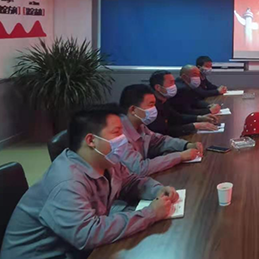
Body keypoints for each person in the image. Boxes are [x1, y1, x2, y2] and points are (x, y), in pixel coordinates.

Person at [0, 105, 177, 259]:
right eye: (117, 133)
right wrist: (151, 213)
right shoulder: (67, 182)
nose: (123, 139)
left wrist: (157, 190)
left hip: (73, 248)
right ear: (91, 140)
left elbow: (130, 182)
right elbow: (88, 234)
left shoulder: (107, 160)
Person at [118, 84, 204, 177]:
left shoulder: (140, 125)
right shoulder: (118, 135)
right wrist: (180, 156)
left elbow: (160, 141)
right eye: (150, 105)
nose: (154, 109)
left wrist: (186, 145)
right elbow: (140, 168)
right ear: (133, 109)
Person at [147, 70, 219, 137]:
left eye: (174, 82)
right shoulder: (151, 106)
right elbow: (164, 131)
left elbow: (177, 117)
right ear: (158, 87)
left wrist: (200, 118)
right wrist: (195, 126)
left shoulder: (164, 100)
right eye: (171, 83)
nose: (174, 86)